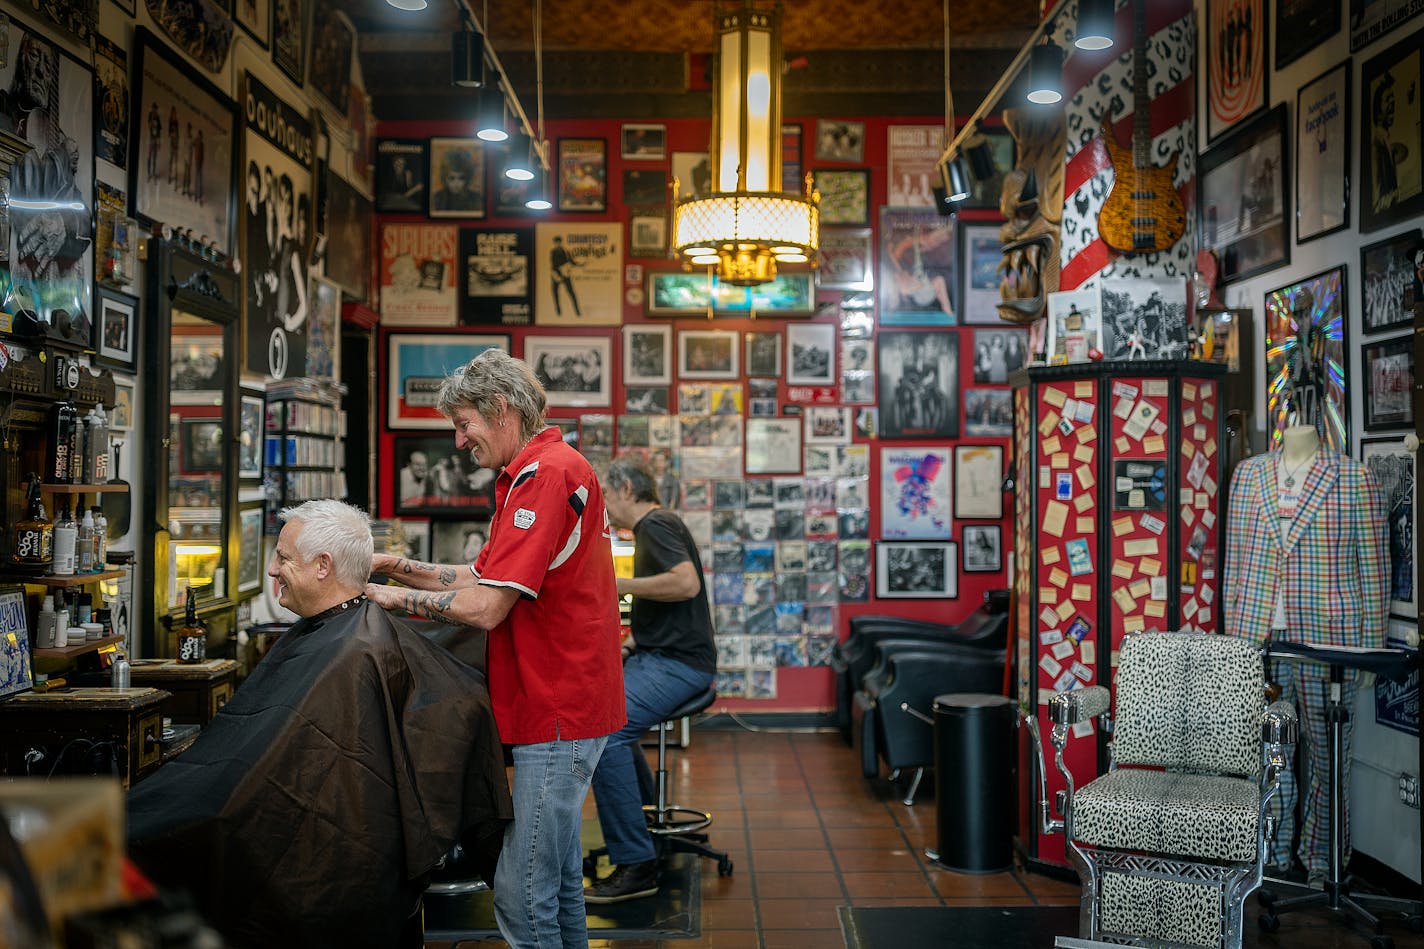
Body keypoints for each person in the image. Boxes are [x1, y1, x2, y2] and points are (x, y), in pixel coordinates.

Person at [128, 500, 512, 948]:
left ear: (323, 567)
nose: (273, 571)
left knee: (139, 839)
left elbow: (266, 790)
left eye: (284, 558)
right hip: (292, 834)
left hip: (303, 862)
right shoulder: (349, 637)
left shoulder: (354, 650)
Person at [365, 349, 625, 949]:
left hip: (559, 708)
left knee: (519, 888)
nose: (459, 442)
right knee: (556, 882)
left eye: (464, 424)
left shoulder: (547, 476)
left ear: (501, 409)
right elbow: (478, 577)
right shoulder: (533, 474)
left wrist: (388, 599)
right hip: (561, 703)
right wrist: (395, 568)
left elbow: (484, 608)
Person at [1224, 423, 1388, 886]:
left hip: (1327, 638)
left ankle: (1324, 857)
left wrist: (1370, 648)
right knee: (1264, 748)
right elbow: (1234, 561)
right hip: (1258, 636)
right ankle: (1272, 849)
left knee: (1328, 753)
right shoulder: (1249, 475)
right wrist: (1231, 633)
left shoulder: (1353, 478)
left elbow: (1374, 567)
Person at [583, 457, 717, 904]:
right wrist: (632, 641)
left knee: (607, 732)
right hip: (664, 656)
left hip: (681, 665)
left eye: (604, 490)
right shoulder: (653, 527)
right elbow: (672, 613)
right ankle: (643, 832)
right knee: (605, 721)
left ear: (624, 486)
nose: (601, 502)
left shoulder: (655, 524)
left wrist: (617, 583)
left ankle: (637, 863)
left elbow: (685, 585)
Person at [432, 145, 479, 212]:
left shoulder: (476, 199)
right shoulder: (436, 198)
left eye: (461, 178)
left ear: (467, 179)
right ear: (445, 178)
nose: (456, 183)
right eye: (451, 178)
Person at [549, 235, 583, 316]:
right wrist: (556, 276)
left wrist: (580, 264)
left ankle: (577, 312)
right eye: (556, 242)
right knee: (555, 293)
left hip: (565, 274)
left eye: (559, 242)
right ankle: (558, 312)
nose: (557, 244)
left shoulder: (566, 251)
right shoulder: (552, 252)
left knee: (572, 293)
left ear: (561, 242)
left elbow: (572, 262)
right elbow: (552, 265)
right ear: (554, 243)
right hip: (556, 275)